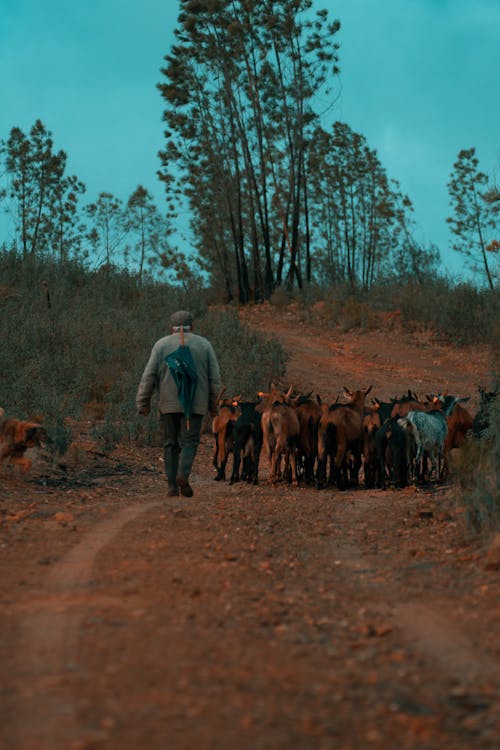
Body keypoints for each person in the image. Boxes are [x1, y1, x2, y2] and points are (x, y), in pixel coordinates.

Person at [136, 310, 222, 497]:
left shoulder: (161, 345)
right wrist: (214, 407)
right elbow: (214, 378)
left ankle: (171, 487)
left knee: (170, 443)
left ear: (171, 327)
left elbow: (148, 375)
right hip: (196, 404)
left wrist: (143, 402)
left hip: (168, 404)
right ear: (192, 327)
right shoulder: (204, 345)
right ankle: (183, 474)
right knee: (190, 441)